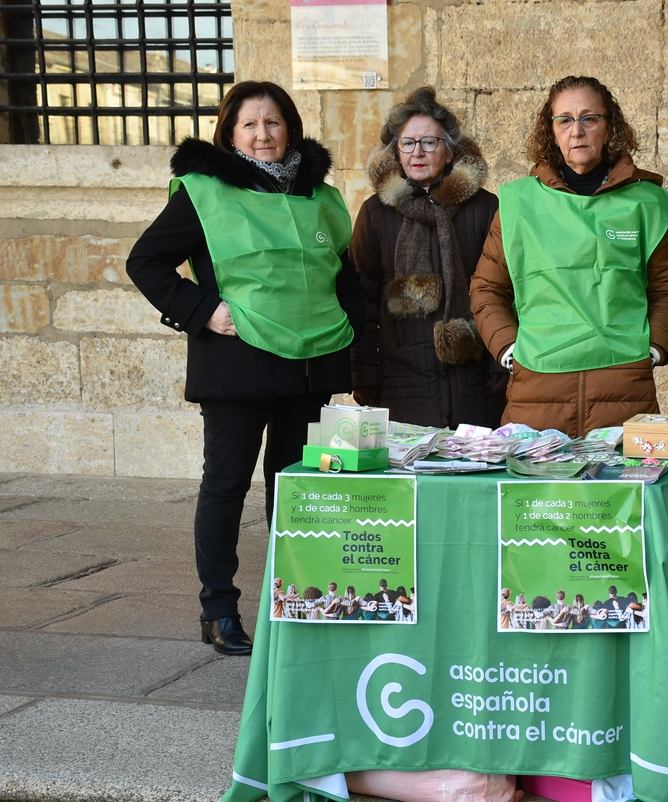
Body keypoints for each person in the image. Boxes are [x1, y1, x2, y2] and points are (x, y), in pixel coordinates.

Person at [126, 81, 363, 656]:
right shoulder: (205, 192)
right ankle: (219, 610)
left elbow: (345, 275)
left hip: (308, 366)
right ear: (230, 133)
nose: (264, 134)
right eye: (250, 124)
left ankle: (298, 600)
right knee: (227, 484)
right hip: (236, 363)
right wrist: (204, 310)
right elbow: (146, 260)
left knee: (296, 489)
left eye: (274, 123)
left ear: (292, 129)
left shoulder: (321, 198)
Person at [470, 75, 668, 436]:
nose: (577, 131)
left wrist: (655, 347)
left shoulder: (647, 203)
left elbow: (667, 289)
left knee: (621, 491)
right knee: (536, 493)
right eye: (565, 120)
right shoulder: (518, 203)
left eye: (589, 118)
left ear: (609, 126)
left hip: (624, 383)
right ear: (551, 131)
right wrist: (509, 348)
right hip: (537, 386)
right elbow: (487, 289)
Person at [350, 87, 505, 428]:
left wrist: (501, 360)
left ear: (450, 151)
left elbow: (505, 291)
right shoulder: (376, 213)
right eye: (407, 143)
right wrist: (362, 371)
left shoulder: (485, 208)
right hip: (401, 380)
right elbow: (362, 298)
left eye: (429, 142)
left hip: (475, 379)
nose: (417, 152)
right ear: (396, 151)